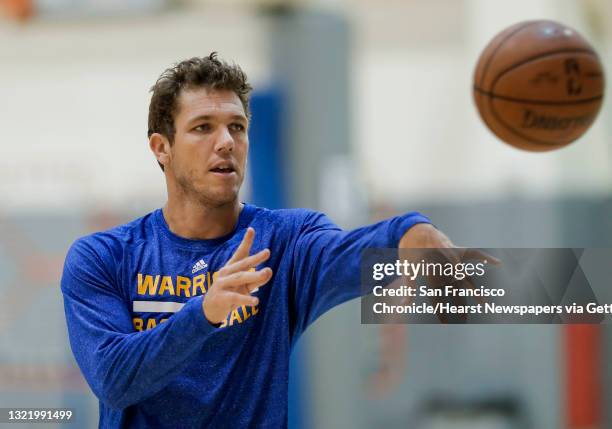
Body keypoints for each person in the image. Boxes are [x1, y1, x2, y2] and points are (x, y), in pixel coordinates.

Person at [61, 52, 461, 428]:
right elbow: (114, 379)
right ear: (161, 147)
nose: (226, 142)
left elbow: (351, 254)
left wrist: (412, 233)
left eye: (237, 127)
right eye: (203, 127)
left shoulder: (287, 242)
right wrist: (203, 314)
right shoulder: (103, 257)